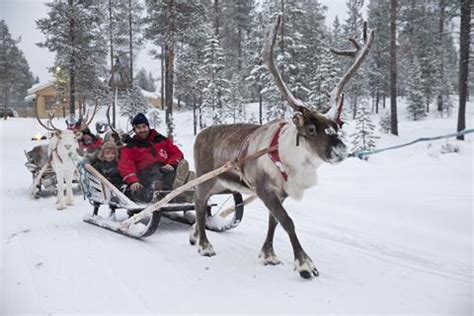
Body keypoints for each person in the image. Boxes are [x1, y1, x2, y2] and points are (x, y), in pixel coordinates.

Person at [118, 113, 184, 202]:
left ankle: (181, 189)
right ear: (134, 130)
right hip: (145, 177)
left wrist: (171, 164)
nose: (142, 130)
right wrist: (133, 181)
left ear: (148, 126)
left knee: (178, 167)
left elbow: (176, 153)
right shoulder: (130, 147)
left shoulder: (161, 140)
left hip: (165, 171)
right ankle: (167, 191)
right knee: (156, 171)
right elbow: (126, 166)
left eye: (144, 126)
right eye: (138, 127)